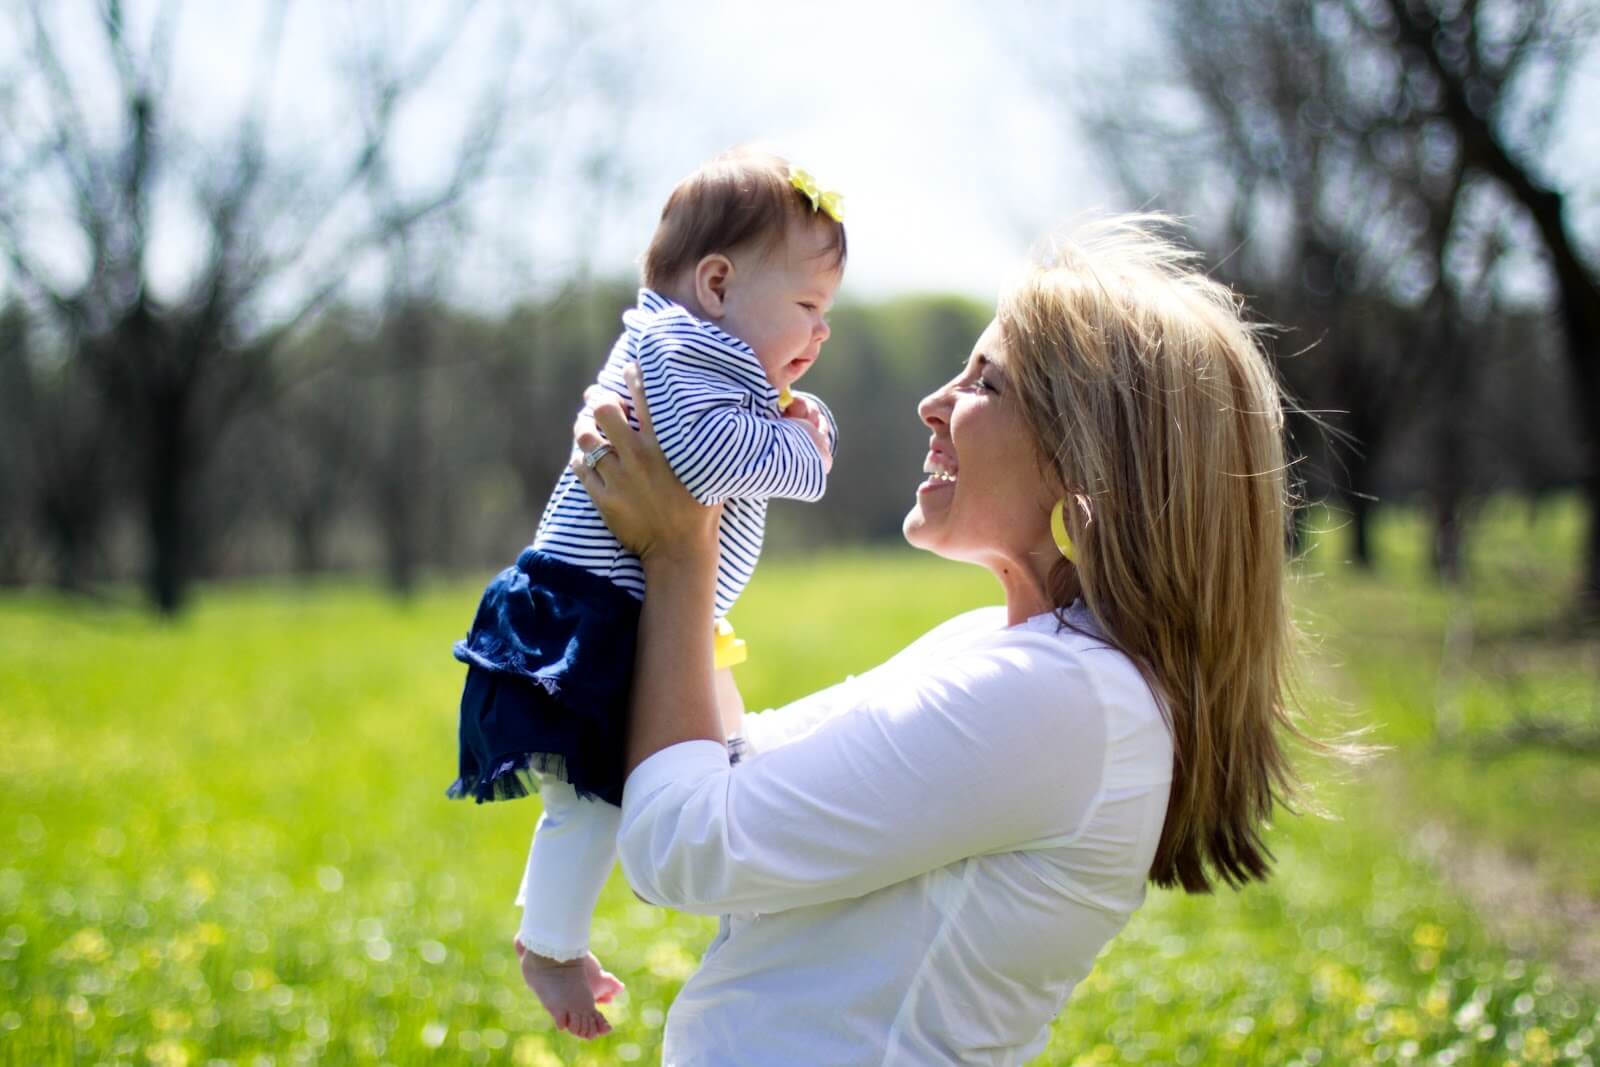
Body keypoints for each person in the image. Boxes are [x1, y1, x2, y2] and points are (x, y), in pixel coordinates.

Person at [570, 215, 1312, 1064]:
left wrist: (679, 551)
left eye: (985, 384)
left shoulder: (1062, 700)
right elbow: (730, 766)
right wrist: (689, 531)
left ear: (1088, 461)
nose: (934, 402)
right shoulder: (1004, 651)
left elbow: (684, 846)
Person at [447, 148, 846, 1039]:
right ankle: (549, 944)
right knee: (592, 798)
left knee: (717, 780)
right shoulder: (677, 348)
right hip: (596, 619)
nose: (820, 336)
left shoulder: (701, 353)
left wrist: (774, 411)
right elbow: (702, 462)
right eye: (809, 307)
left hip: (653, 614)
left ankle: (762, 937)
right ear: (716, 283)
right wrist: (807, 453)